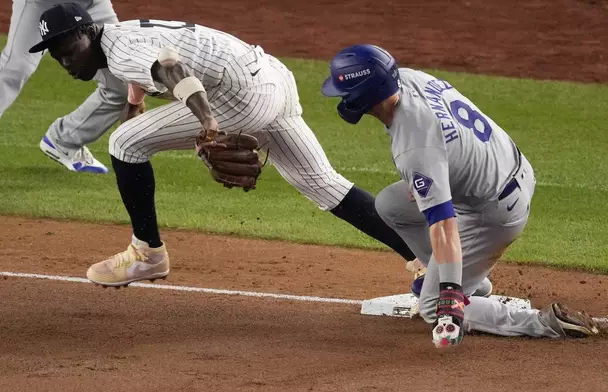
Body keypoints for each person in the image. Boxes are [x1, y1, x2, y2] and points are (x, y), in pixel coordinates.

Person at [28, 2, 424, 287]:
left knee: (123, 143)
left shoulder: (121, 49)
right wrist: (136, 109)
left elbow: (171, 69)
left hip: (238, 95)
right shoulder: (122, 38)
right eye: (55, 56)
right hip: (272, 80)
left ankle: (146, 253)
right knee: (321, 182)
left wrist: (209, 122)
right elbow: (150, 72)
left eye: (67, 50)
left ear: (86, 32)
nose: (64, 63)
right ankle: (425, 261)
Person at [321, 44, 601, 347]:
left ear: (363, 95)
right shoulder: (409, 79)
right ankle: (472, 281)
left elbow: (443, 222)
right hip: (505, 169)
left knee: (432, 307)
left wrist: (450, 295)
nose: (343, 98)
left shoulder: (415, 146)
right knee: (390, 204)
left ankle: (544, 322)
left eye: (345, 91)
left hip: (495, 211)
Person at [0, 0, 128, 173]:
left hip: (90, 3)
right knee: (15, 68)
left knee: (122, 83)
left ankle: (63, 140)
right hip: (40, 4)